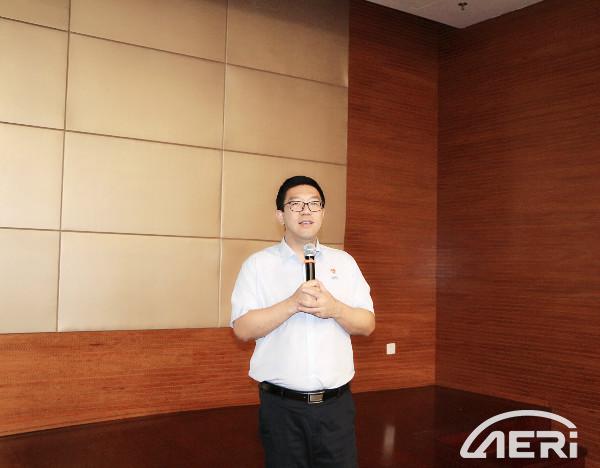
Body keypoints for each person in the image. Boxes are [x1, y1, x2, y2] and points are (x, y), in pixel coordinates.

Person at [230, 175, 375, 468]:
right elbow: (242, 329)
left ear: (323, 212)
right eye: (296, 204)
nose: (306, 211)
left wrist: (335, 308)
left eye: (314, 204)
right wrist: (292, 304)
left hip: (336, 409)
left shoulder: (344, 263)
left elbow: (367, 323)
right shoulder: (258, 265)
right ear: (280, 215)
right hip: (281, 410)